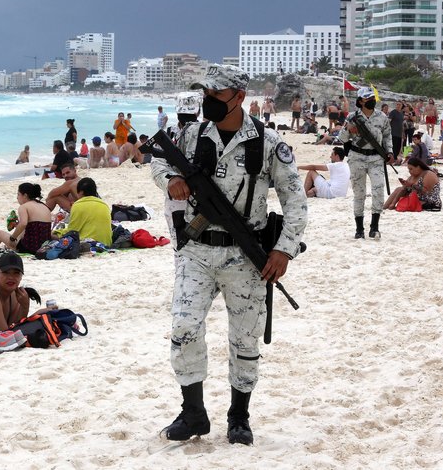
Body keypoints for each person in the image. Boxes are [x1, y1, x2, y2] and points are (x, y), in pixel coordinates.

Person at [151, 64, 307, 445]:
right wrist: (170, 180)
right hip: (197, 251)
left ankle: (239, 415)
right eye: (205, 95)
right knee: (184, 328)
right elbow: (158, 159)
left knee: (245, 340)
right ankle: (193, 414)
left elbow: (295, 200)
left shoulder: (268, 143)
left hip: (245, 256)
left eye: (216, 96)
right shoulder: (190, 134)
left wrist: (284, 251)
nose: (208, 102)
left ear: (239, 97)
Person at [338, 87, 394, 239]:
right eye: (368, 99)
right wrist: (348, 128)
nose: (372, 101)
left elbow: (388, 136)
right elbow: (342, 139)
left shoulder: (382, 117)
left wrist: (390, 152)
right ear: (361, 101)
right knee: (359, 193)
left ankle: (374, 227)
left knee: (378, 191)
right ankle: (359, 229)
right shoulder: (352, 116)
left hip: (376, 158)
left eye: (372, 99)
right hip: (357, 158)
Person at [0, 183, 54, 254]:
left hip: (29, 248)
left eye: (18, 194)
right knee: (21, 231)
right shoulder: (44, 206)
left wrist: (13, 238)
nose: (17, 197)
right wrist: (18, 226)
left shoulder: (24, 207)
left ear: (25, 195)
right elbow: (36, 226)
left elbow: (23, 223)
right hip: (44, 247)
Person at [52, 177, 112, 246]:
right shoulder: (104, 205)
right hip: (107, 243)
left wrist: (57, 232)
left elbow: (72, 231)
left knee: (54, 236)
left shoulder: (78, 205)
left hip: (89, 243)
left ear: (81, 192)